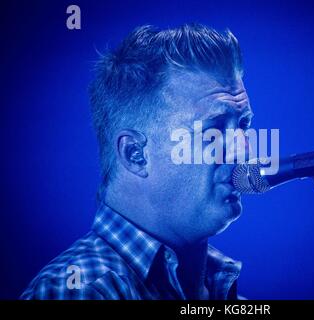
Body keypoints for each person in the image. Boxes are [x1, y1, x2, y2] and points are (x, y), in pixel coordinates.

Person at [20, 23, 253, 300]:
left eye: (244, 124)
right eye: (213, 130)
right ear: (135, 154)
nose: (244, 150)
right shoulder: (77, 291)